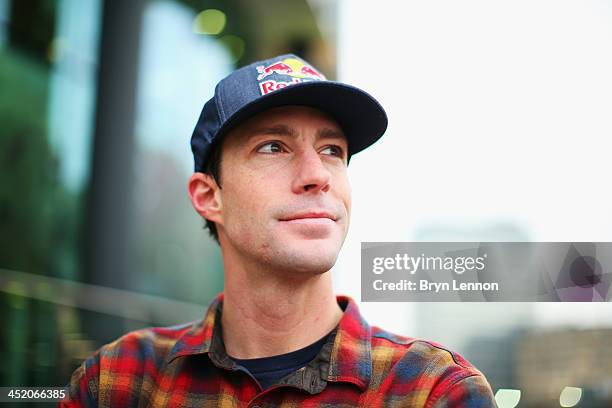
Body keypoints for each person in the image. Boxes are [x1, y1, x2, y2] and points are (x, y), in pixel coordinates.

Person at [62, 54, 497, 407]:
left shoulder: (435, 391)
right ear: (209, 196)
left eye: (332, 150)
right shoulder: (118, 383)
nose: (317, 175)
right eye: (274, 146)